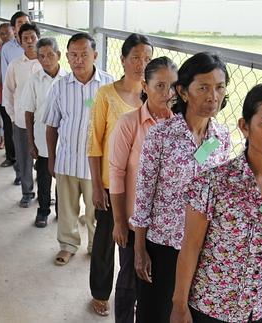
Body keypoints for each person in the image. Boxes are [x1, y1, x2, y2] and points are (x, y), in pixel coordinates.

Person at [171, 82, 262, 323]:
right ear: (244, 126)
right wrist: (179, 305)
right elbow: (191, 245)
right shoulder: (212, 183)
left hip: (261, 310)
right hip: (210, 308)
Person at [131, 52, 232, 322]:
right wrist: (139, 249)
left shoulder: (222, 138)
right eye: (203, 87)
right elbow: (143, 194)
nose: (213, 96)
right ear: (183, 92)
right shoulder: (161, 135)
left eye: (219, 87)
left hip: (203, 248)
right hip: (163, 245)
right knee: (154, 313)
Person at [87, 33, 153, 317]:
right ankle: (100, 293)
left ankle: (133, 295)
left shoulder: (157, 95)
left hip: (141, 191)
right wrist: (96, 186)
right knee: (104, 243)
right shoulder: (105, 94)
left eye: (147, 58)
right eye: (136, 57)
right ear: (123, 59)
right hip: (110, 185)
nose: (141, 63)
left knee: (133, 250)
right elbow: (94, 142)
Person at [109, 56, 178, 322]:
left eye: (172, 86)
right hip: (131, 220)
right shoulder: (129, 123)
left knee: (156, 286)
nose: (167, 93)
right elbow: (116, 174)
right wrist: (118, 222)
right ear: (145, 87)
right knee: (129, 278)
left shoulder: (180, 127)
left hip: (165, 227)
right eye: (159, 85)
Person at [43, 32, 114, 266]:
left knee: (96, 211)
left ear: (95, 55)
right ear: (67, 57)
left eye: (84, 54)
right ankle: (68, 245)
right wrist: (52, 158)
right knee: (67, 208)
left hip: (97, 165)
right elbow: (52, 125)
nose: (79, 59)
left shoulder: (108, 85)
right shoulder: (60, 86)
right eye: (74, 54)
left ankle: (95, 246)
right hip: (67, 160)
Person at [21, 37, 66, 227]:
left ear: (59, 55)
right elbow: (29, 113)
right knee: (44, 177)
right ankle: (43, 210)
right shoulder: (34, 80)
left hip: (65, 141)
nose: (46, 60)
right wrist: (31, 143)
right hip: (41, 140)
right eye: (42, 56)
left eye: (50, 55)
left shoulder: (69, 80)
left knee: (63, 179)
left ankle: (61, 212)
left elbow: (88, 104)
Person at [3, 23, 42, 208]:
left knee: (45, 159)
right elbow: (8, 93)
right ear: (18, 40)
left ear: (38, 38)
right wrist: (13, 117)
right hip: (21, 121)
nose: (29, 41)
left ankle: (45, 193)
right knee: (24, 158)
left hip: (44, 122)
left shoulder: (46, 63)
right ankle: (27, 192)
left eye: (32, 37)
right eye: (24, 38)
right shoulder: (15, 66)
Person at [0, 11, 30, 170]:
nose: (24, 24)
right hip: (17, 100)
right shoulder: (7, 49)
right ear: (14, 28)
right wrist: (9, 105)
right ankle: (15, 163)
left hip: (37, 102)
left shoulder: (37, 45)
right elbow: (7, 80)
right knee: (16, 135)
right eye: (20, 23)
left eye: (26, 21)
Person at [0, 22, 15, 150]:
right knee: (6, 123)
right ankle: (10, 154)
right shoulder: (1, 48)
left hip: (14, 91)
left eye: (7, 33)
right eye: (2, 33)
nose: (5, 36)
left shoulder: (16, 49)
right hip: (2, 91)